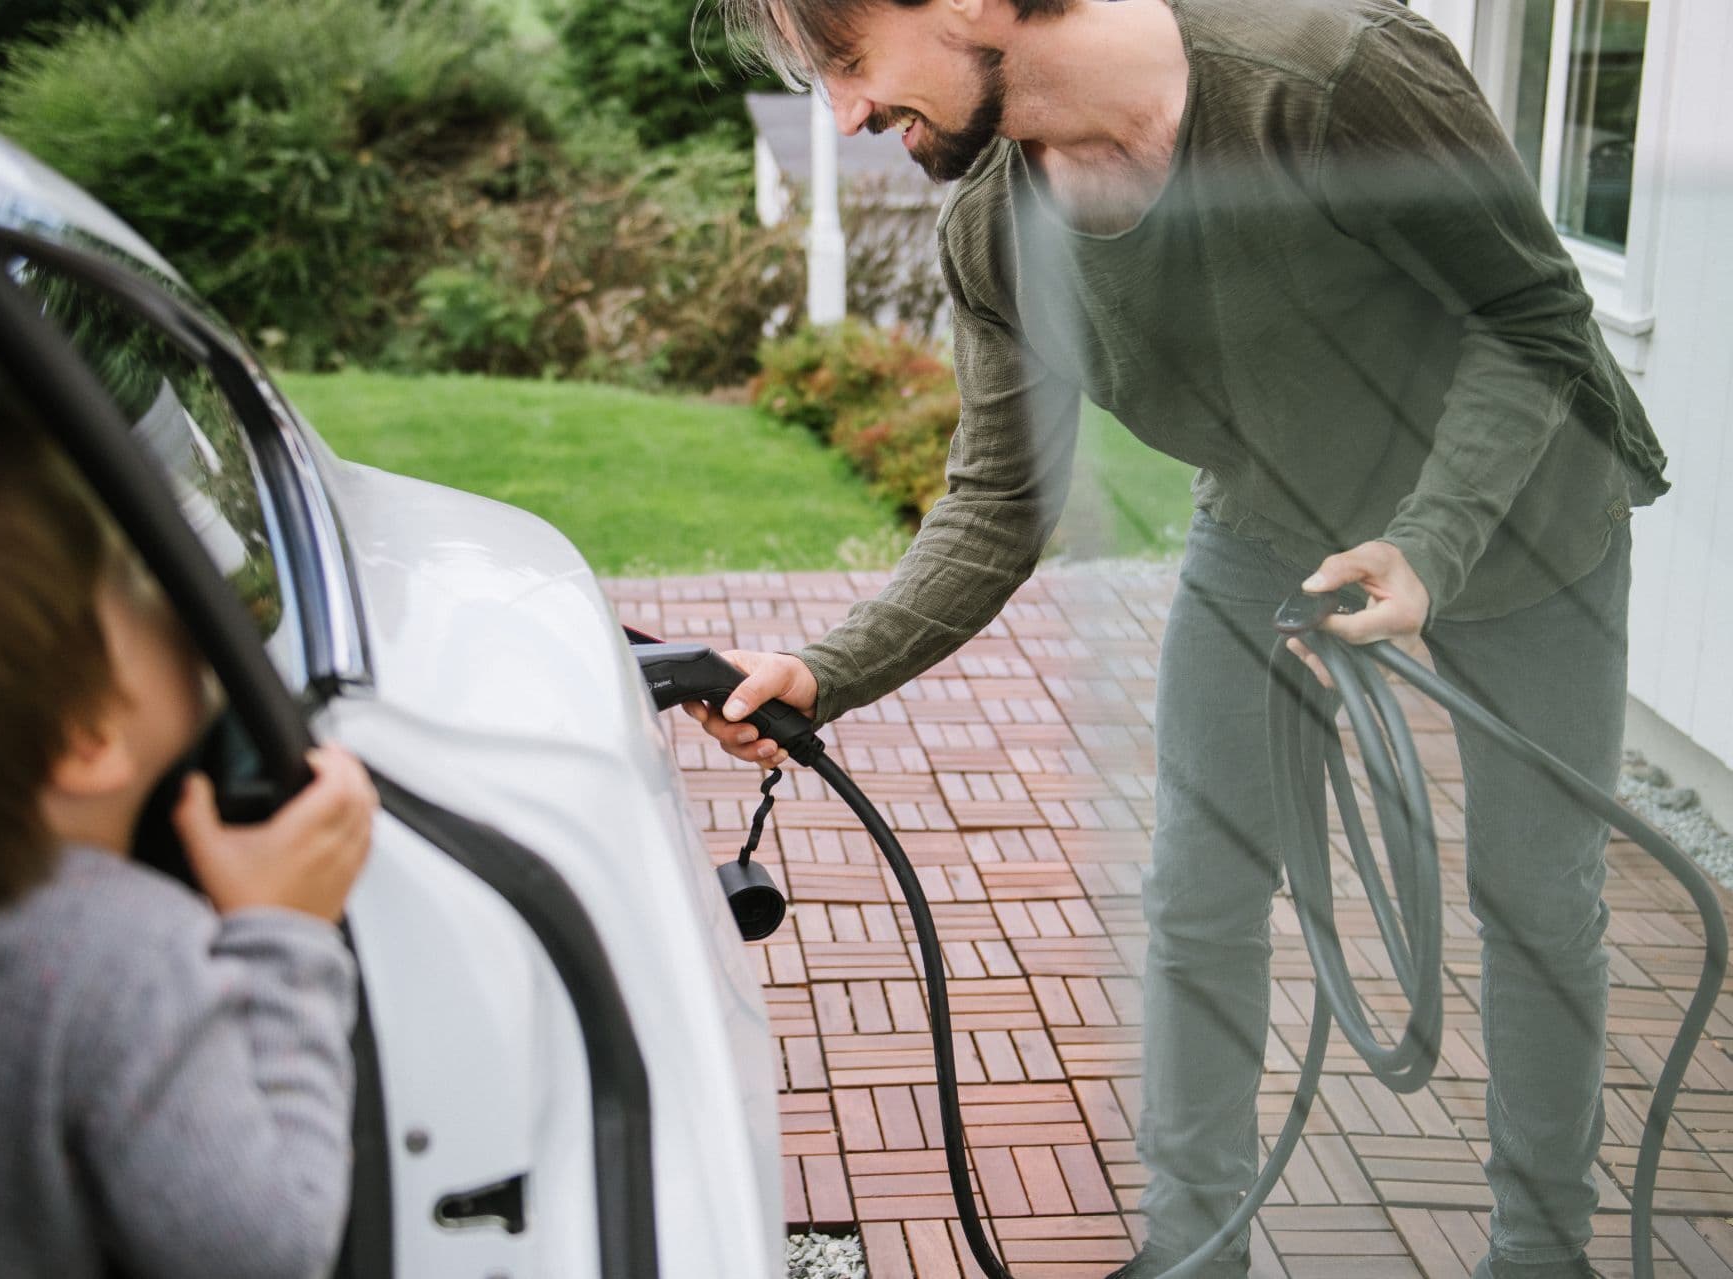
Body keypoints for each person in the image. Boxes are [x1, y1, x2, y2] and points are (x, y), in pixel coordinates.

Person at [699, 0, 1668, 1275]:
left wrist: (1428, 544)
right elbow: (1000, 500)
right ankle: (1196, 1246)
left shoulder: (1329, 76)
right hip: (1270, 525)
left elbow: (1534, 322)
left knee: (1538, 902)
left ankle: (1544, 1251)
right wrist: (827, 670)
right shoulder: (996, 225)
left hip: (1533, 529)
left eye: (849, 59)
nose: (846, 113)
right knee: (1200, 896)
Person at [0, 408, 380, 1279]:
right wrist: (286, 933)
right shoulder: (124, 957)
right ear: (90, 733)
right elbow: (265, 1252)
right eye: (142, 580)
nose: (187, 600)